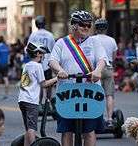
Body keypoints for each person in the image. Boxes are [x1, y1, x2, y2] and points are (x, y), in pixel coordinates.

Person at [49, 10, 108, 146]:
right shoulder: (62, 43)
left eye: (89, 25)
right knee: (67, 130)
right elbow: (52, 61)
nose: (86, 27)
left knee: (89, 130)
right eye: (83, 24)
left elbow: (102, 59)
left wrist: (98, 71)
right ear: (74, 25)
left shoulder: (95, 42)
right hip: (67, 91)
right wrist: (60, 70)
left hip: (90, 91)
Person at [18, 42, 58, 146]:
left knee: (28, 128)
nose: (43, 56)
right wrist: (57, 78)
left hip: (22, 99)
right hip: (31, 101)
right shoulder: (37, 66)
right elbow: (43, 84)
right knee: (32, 128)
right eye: (42, 54)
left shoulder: (26, 65)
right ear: (38, 53)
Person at [93, 18, 118, 127]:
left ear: (96, 28)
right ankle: (109, 119)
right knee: (109, 95)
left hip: (95, 69)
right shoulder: (112, 40)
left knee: (95, 95)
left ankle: (96, 118)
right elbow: (114, 56)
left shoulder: (92, 39)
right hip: (108, 67)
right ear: (106, 28)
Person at [28, 15, 55, 103]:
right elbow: (53, 49)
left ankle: (38, 103)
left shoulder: (34, 34)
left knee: (39, 84)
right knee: (49, 84)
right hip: (47, 62)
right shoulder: (50, 34)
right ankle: (48, 101)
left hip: (37, 63)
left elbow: (28, 48)